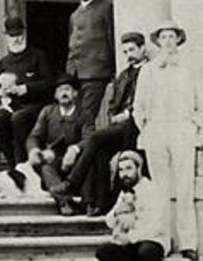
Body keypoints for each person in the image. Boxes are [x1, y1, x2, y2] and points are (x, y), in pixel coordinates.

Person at [55, 31, 148, 215]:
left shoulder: (150, 72)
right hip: (121, 126)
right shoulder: (122, 76)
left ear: (143, 49)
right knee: (100, 151)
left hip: (139, 125)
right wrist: (114, 115)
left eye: (132, 50)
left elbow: (149, 101)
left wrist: (128, 113)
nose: (129, 54)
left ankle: (73, 183)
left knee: (96, 137)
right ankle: (102, 204)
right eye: (126, 51)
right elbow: (113, 103)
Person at [133, 21, 200, 261]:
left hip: (181, 129)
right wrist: (148, 128)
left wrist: (194, 125)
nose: (168, 41)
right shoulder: (148, 70)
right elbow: (138, 107)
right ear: (158, 41)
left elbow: (199, 101)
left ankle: (188, 242)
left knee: (184, 187)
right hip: (157, 130)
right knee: (160, 188)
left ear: (178, 40)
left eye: (172, 36)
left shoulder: (188, 69)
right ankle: (163, 240)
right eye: (164, 37)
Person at [96, 150, 184, 261]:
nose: (124, 174)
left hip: (153, 240)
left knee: (146, 252)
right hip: (131, 242)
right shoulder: (124, 193)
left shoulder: (152, 190)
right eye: (121, 170)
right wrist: (117, 212)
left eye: (129, 169)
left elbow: (156, 226)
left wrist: (130, 238)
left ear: (139, 169)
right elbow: (109, 221)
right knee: (103, 251)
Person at [0, 15, 54, 190]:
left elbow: (49, 84)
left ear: (24, 34)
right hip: (13, 106)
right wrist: (0, 93)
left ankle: (22, 165)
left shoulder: (38, 56)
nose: (16, 39)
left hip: (36, 105)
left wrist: (25, 89)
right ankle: (12, 163)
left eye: (19, 34)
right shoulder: (4, 62)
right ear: (7, 37)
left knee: (18, 119)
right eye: (12, 35)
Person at [27, 74, 93, 215]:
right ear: (56, 95)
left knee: (88, 163)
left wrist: (75, 149)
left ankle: (88, 202)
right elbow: (34, 136)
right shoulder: (48, 112)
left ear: (75, 93)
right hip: (54, 158)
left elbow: (89, 138)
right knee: (46, 168)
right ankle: (65, 202)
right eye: (60, 90)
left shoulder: (84, 114)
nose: (64, 93)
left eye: (68, 89)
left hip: (76, 161)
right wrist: (34, 150)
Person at [66, 0, 115, 127]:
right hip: (77, 76)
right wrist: (69, 73)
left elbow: (111, 38)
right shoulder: (74, 15)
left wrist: (113, 70)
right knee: (74, 118)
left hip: (97, 73)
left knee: (86, 118)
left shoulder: (105, 8)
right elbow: (72, 45)